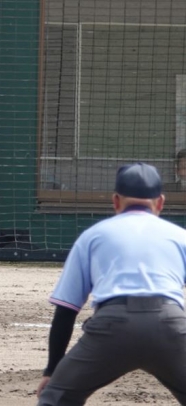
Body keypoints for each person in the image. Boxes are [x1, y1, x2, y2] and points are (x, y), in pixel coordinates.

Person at [36, 162, 186, 405]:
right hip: (169, 326)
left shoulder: (93, 236)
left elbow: (66, 310)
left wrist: (52, 370)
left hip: (112, 328)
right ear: (160, 202)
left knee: (55, 399)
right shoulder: (180, 237)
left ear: (116, 201)